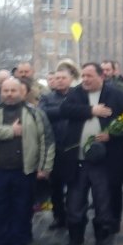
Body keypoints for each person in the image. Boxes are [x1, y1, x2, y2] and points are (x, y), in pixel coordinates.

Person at [0, 77, 54, 245]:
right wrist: (10, 131)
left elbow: (46, 140)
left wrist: (44, 167)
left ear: (22, 92)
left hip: (25, 171)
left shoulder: (35, 113)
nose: (9, 94)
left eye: (13, 91)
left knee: (22, 210)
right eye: (6, 91)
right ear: (1, 92)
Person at [59, 63, 123, 245]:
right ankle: (76, 239)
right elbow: (65, 110)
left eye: (89, 76)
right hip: (78, 160)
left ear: (101, 77)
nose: (85, 79)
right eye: (83, 75)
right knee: (75, 202)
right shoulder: (76, 93)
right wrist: (91, 111)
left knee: (103, 202)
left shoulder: (115, 95)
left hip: (104, 162)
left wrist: (111, 135)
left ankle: (102, 238)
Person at [40, 69, 73, 229]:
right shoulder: (47, 97)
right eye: (57, 78)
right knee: (55, 185)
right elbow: (42, 113)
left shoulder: (77, 95)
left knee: (73, 185)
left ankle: (73, 215)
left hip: (73, 146)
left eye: (63, 78)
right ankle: (59, 216)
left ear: (70, 79)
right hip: (54, 146)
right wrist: (65, 111)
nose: (60, 80)